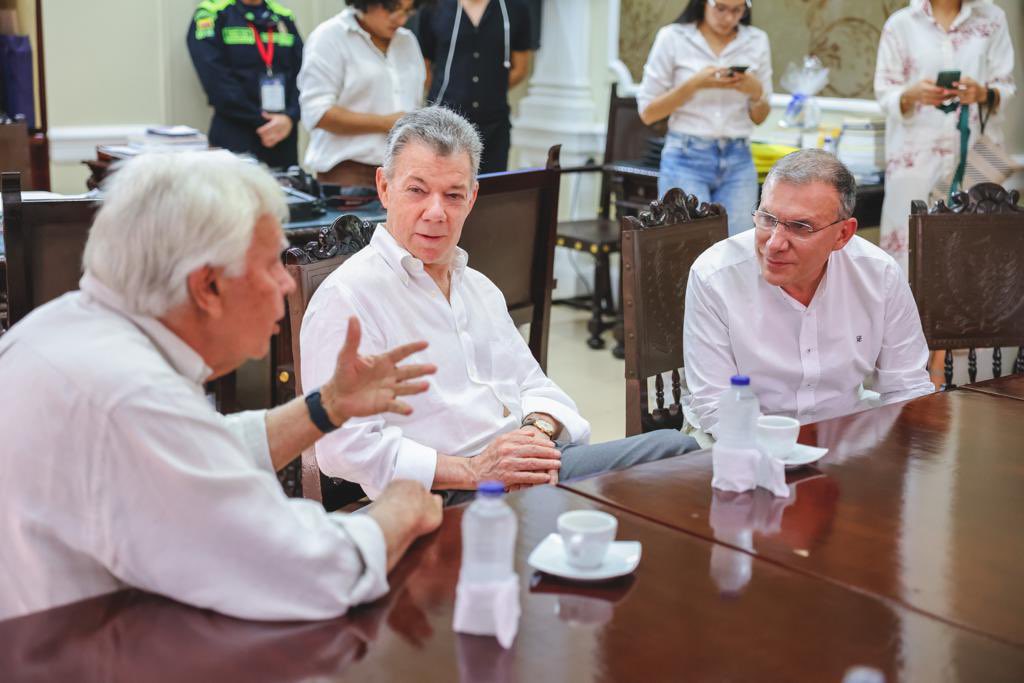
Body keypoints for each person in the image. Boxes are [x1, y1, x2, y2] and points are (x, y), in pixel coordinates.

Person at [0, 151, 442, 622]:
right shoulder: (132, 399)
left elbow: (195, 452)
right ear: (207, 287)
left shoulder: (61, 327)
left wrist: (325, 407)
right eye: (271, 264)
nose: (287, 285)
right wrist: (398, 510)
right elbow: (304, 571)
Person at [300, 106, 697, 504]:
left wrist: (535, 435)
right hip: (446, 491)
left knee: (672, 456)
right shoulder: (348, 298)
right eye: (417, 190)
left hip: (527, 465)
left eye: (453, 195)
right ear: (385, 188)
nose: (436, 213)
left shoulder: (478, 287)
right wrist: (475, 471)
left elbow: (535, 385)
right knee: (672, 457)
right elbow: (340, 449)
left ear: (472, 198)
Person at [683, 149, 934, 438]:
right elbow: (717, 408)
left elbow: (907, 387)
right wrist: (791, 457)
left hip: (844, 436)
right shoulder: (715, 276)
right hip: (733, 441)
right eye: (767, 218)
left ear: (843, 235)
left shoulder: (879, 275)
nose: (775, 243)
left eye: (800, 227)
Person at [874, 0, 1015, 272]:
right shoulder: (900, 24)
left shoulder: (993, 18)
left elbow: (1006, 85)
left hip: (974, 158)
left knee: (976, 253)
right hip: (914, 159)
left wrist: (982, 93)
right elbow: (885, 91)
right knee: (909, 251)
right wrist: (912, 94)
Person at [637, 0, 771, 236]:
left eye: (737, 10)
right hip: (685, 157)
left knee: (739, 246)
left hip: (738, 158)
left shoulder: (756, 40)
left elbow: (760, 117)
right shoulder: (673, 37)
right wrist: (694, 84)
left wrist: (755, 90)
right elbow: (648, 113)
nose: (728, 17)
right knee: (686, 247)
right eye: (720, 8)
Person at [298, 0, 426, 187]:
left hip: (403, 171)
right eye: (392, 8)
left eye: (408, 11)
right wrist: (386, 123)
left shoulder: (407, 41)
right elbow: (317, 114)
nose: (400, 19)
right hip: (347, 173)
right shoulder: (330, 37)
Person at [416, 0, 534, 174]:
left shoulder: (515, 9)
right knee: (444, 189)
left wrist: (490, 89)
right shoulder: (434, 7)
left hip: (494, 126)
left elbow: (520, 68)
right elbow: (423, 67)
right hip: (443, 124)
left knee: (491, 193)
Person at [187, 0, 303, 168]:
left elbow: (304, 74)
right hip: (236, 132)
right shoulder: (211, 12)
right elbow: (216, 81)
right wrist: (261, 120)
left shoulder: (282, 15)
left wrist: (290, 117)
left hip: (283, 133)